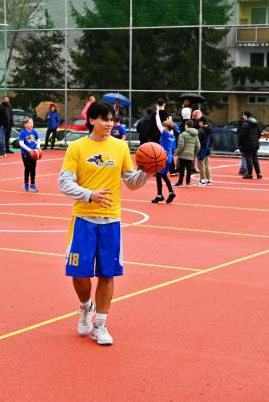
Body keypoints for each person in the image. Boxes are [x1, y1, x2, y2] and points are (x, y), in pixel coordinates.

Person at [57, 100, 150, 346]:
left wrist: (149, 171)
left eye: (112, 120)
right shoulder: (77, 147)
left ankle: (100, 325)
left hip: (111, 220)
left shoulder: (120, 146)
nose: (110, 124)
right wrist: (89, 194)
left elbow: (131, 182)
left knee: (107, 274)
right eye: (105, 119)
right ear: (92, 120)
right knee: (79, 275)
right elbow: (64, 183)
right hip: (83, 220)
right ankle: (85, 306)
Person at [152, 119, 177, 204]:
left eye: (164, 126)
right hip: (169, 157)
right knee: (163, 175)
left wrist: (157, 114)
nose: (162, 127)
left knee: (158, 175)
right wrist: (170, 121)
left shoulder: (165, 134)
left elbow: (158, 124)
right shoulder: (172, 136)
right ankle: (171, 192)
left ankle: (159, 195)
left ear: (166, 127)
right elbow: (172, 128)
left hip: (163, 157)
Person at [174, 120, 200, 187]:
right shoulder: (195, 135)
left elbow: (181, 146)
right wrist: (194, 153)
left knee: (182, 169)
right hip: (191, 154)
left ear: (186, 126)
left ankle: (180, 182)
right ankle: (188, 183)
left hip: (183, 154)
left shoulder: (182, 134)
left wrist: (176, 152)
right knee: (189, 169)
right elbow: (198, 146)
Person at [238, 110, 262, 179]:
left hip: (247, 145)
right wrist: (256, 140)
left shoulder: (245, 124)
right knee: (255, 159)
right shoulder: (256, 123)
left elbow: (242, 136)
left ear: (245, 115)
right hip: (255, 144)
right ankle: (259, 174)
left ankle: (250, 174)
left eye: (243, 115)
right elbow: (259, 133)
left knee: (249, 159)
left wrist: (240, 144)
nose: (243, 117)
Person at [18, 117, 40, 192]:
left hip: (34, 153)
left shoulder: (34, 131)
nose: (32, 124)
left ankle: (33, 184)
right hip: (25, 154)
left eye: (32, 123)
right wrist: (29, 150)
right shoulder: (23, 132)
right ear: (25, 125)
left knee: (33, 168)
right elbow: (21, 143)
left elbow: (38, 139)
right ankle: (26, 183)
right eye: (30, 123)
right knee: (27, 168)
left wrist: (38, 147)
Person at [195, 117, 212, 186]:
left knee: (200, 165)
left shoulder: (200, 130)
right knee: (206, 165)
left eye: (199, 122)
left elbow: (198, 141)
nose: (198, 123)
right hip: (207, 149)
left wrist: (196, 149)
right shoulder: (210, 129)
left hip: (202, 149)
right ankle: (208, 179)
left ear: (201, 122)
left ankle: (202, 180)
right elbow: (212, 140)